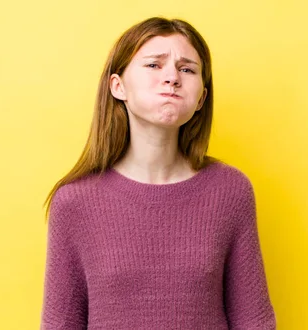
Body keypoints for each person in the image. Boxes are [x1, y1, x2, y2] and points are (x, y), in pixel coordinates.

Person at [40, 16, 276, 329]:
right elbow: (60, 324)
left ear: (201, 98)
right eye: (154, 65)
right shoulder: (74, 202)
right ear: (118, 86)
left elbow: (254, 321)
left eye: (187, 69)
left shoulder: (231, 191)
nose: (172, 78)